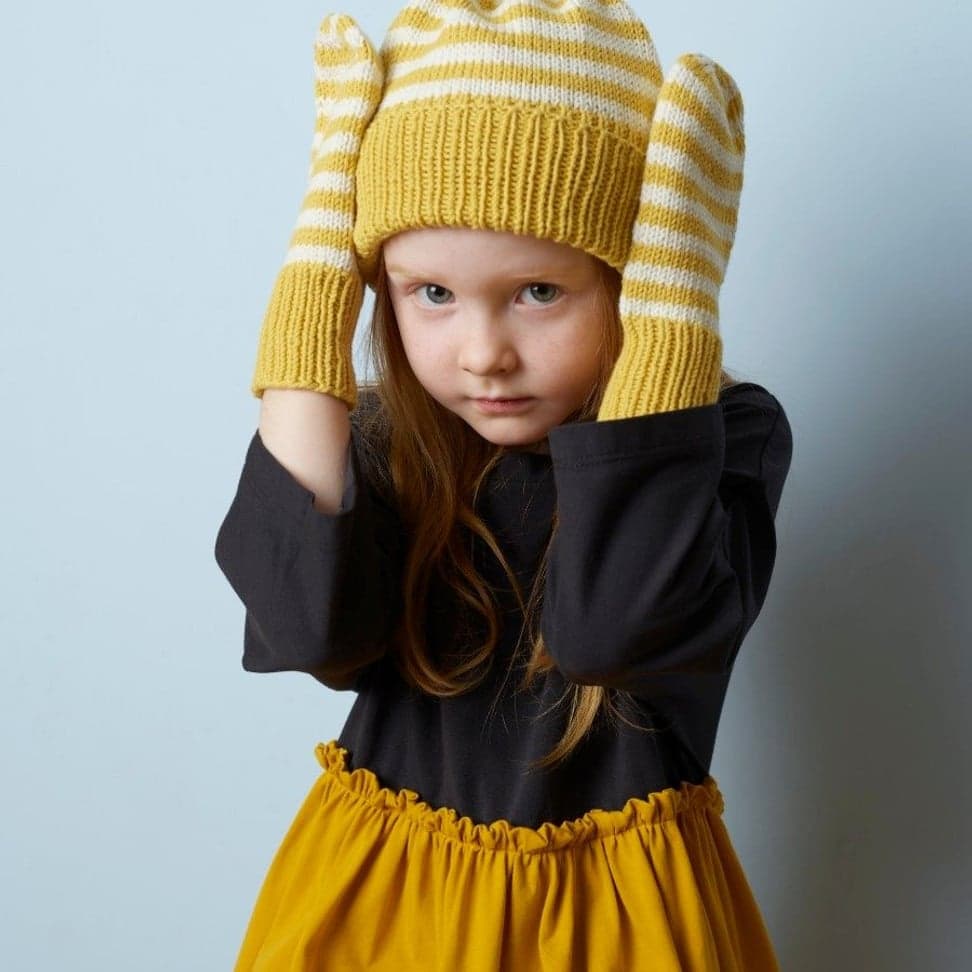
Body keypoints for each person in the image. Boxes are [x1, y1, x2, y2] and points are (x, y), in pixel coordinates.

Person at [214, 1, 793, 968]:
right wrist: (315, 279)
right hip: (384, 896)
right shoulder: (388, 441)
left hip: (618, 914)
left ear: (637, 280)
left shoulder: (726, 437)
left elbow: (609, 633)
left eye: (539, 292)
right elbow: (312, 632)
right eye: (431, 293)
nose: (483, 353)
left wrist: (672, 316)